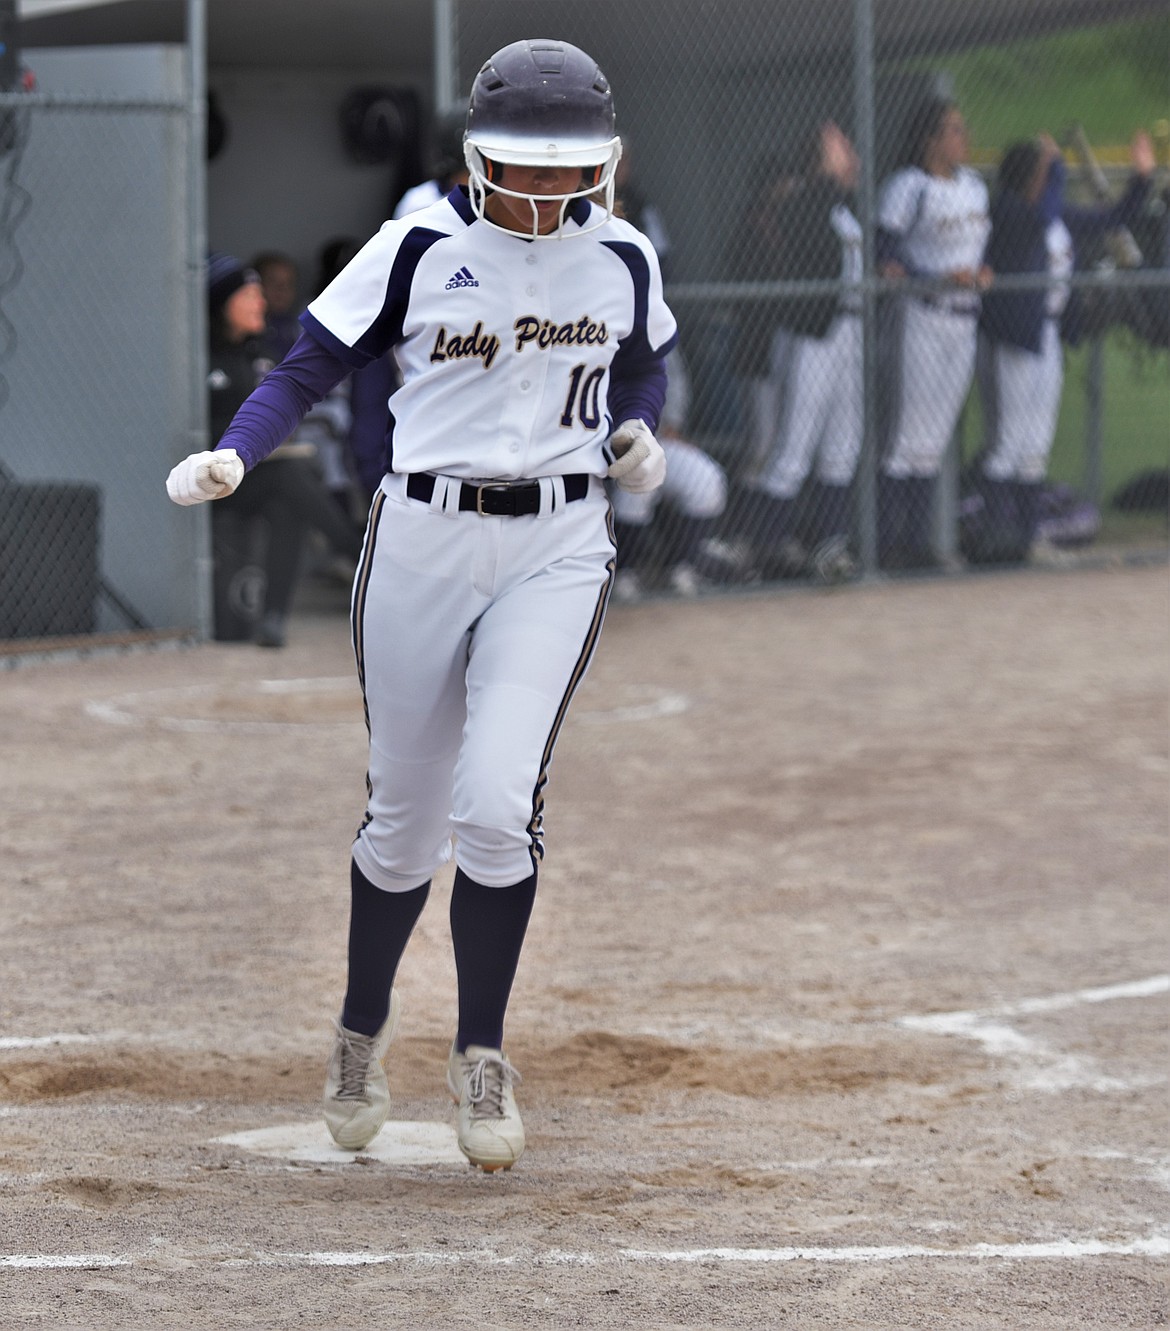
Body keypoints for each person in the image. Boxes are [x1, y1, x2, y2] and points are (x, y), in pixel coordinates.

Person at [165, 39, 676, 1172]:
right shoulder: (417, 246)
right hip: (423, 538)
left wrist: (637, 432)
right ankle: (360, 1026)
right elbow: (305, 367)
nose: (548, 188)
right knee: (402, 818)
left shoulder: (623, 255)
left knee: (496, 806)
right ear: (477, 158)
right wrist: (238, 455)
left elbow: (642, 365)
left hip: (558, 541)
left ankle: (481, 1048)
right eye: (523, 167)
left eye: (568, 168)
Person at [969, 129, 1156, 564]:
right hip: (1015, 336)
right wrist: (1052, 166)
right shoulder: (1012, 211)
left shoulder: (1054, 215)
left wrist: (1141, 178)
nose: (1052, 175)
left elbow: (1112, 220)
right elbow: (1041, 214)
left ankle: (1028, 538)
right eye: (1043, 170)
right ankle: (997, 538)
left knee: (1035, 442)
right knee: (1008, 441)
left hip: (1047, 336)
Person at [201, 252, 365, 648]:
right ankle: (360, 553)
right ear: (223, 304)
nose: (260, 302)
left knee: (289, 502)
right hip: (213, 484)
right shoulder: (199, 358)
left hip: (263, 479)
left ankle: (273, 618)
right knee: (292, 479)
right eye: (249, 294)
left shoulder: (264, 356)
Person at [723, 121, 863, 584]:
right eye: (838, 147)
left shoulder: (844, 206)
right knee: (793, 447)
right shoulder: (804, 199)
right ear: (818, 160)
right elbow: (805, 223)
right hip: (812, 335)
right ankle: (762, 549)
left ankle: (830, 546)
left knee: (843, 445)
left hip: (849, 330)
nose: (848, 151)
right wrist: (824, 173)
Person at [876, 97, 992, 569]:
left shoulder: (975, 187)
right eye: (952, 129)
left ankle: (919, 546)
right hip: (923, 314)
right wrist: (932, 276)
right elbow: (886, 248)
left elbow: (981, 244)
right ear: (930, 139)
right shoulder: (908, 185)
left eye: (962, 128)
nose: (962, 137)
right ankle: (888, 547)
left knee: (935, 438)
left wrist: (982, 271)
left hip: (965, 319)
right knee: (908, 437)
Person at [610, 347, 731, 601]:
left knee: (706, 480)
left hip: (658, 437)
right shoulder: (591, 329)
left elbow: (675, 380)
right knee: (639, 479)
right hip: (607, 442)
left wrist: (674, 423)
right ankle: (624, 572)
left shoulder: (653, 323)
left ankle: (680, 567)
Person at [250, 250, 302, 364]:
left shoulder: (298, 326)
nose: (282, 290)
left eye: (289, 283)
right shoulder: (249, 329)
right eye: (273, 281)